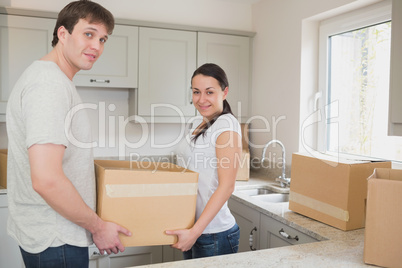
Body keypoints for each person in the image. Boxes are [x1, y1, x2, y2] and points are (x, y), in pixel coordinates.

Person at [6, 1, 131, 267]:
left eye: (103, 38)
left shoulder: (52, 79)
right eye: (89, 33)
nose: (97, 46)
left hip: (52, 234)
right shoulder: (48, 85)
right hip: (57, 237)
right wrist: (98, 227)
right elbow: (46, 179)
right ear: (63, 34)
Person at [166, 63, 242, 259]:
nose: (201, 99)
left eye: (209, 92)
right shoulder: (197, 123)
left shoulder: (226, 125)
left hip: (214, 234)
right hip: (194, 228)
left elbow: (227, 186)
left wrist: (195, 232)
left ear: (224, 92)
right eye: (196, 92)